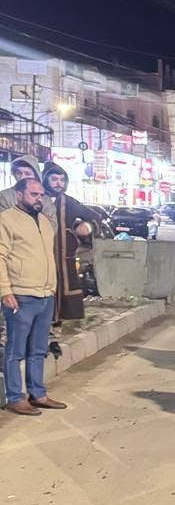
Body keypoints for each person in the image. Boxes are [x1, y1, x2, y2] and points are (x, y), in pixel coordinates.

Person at [0, 177, 67, 414]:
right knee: (15, 351)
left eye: (41, 195)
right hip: (21, 295)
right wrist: (5, 291)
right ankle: (15, 397)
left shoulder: (44, 222)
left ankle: (38, 394)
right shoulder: (6, 219)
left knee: (38, 349)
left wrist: (53, 288)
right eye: (33, 194)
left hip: (45, 295)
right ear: (19, 194)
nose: (39, 199)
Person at [41, 162, 100, 322]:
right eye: (54, 179)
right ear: (45, 179)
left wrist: (86, 226)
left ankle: (59, 320)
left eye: (62, 180)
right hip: (39, 254)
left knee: (63, 284)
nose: (58, 183)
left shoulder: (69, 202)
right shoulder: (36, 199)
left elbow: (95, 217)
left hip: (63, 256)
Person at [0, 155, 57, 224]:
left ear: (36, 176)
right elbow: (3, 223)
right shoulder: (4, 196)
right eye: (19, 173)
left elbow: (52, 225)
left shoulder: (45, 199)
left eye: (27, 174)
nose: (22, 177)